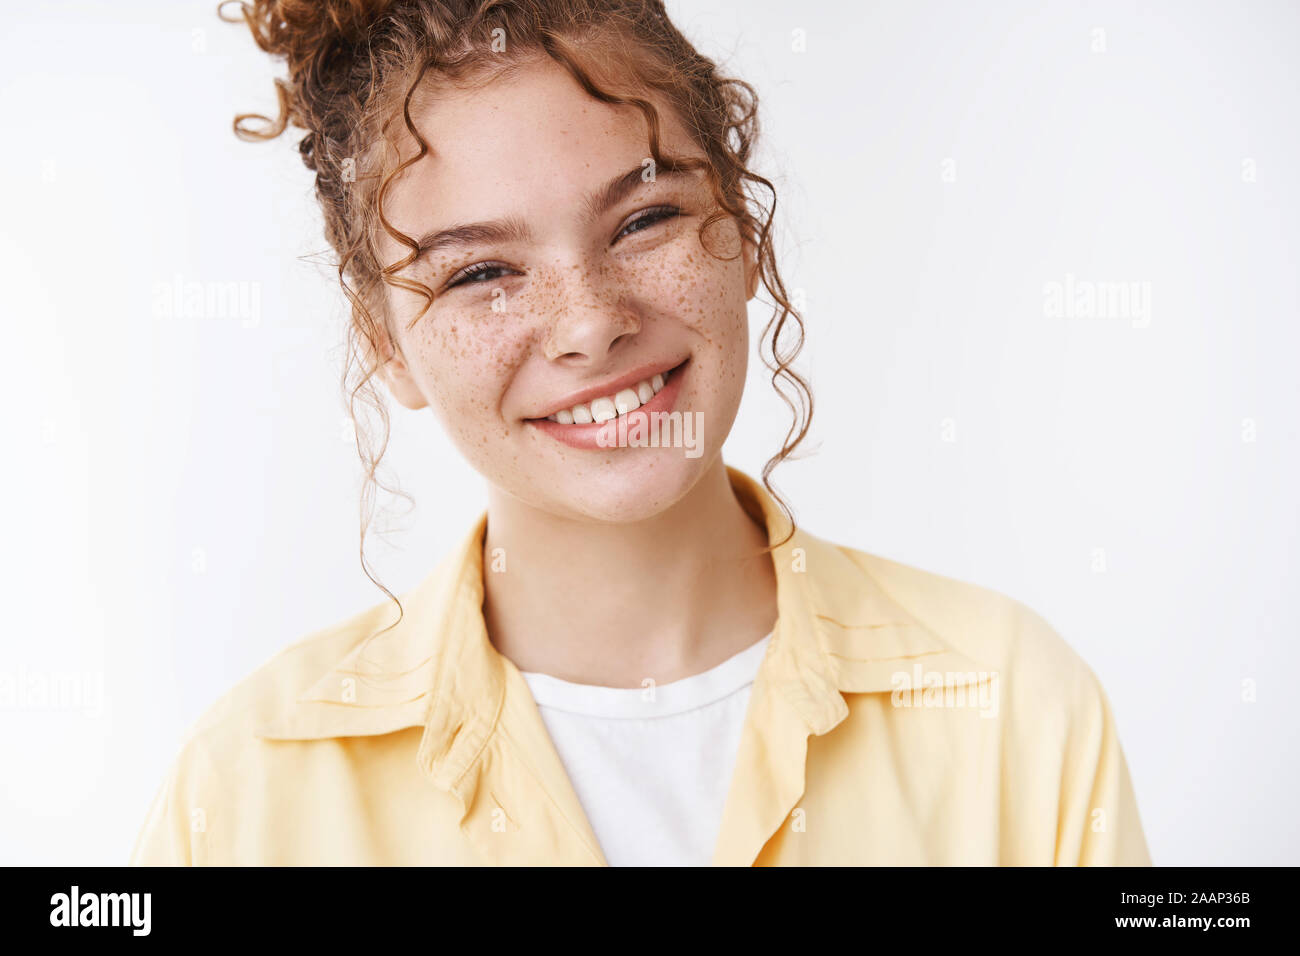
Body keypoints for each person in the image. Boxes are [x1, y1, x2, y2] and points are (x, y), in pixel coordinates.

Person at [130, 0, 1151, 866]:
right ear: (384, 343)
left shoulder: (1010, 701)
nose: (588, 322)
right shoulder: (249, 790)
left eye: (643, 219)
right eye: (481, 272)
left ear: (742, 228)